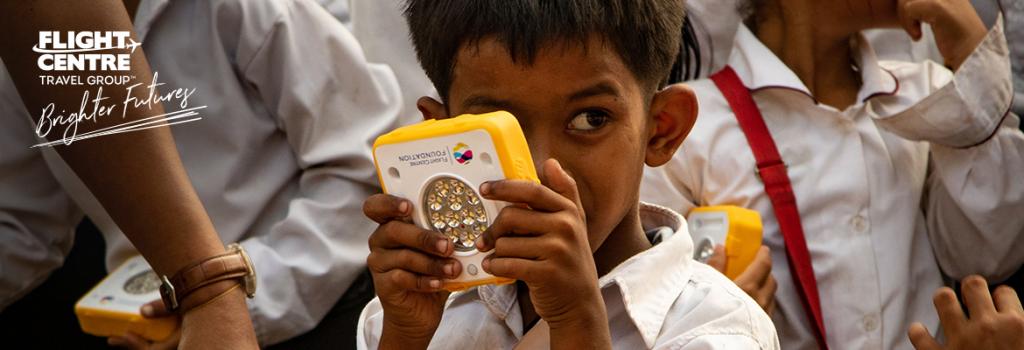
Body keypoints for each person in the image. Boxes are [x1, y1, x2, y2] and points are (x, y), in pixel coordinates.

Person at [356, 0, 780, 348]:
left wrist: (577, 323)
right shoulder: (406, 317)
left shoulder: (715, 331)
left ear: (661, 130)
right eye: (501, 128)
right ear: (440, 134)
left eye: (592, 119)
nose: (543, 169)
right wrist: (406, 339)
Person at [0, 0, 402, 347]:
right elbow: (22, 222)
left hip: (325, 309)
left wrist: (230, 300)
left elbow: (363, 165)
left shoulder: (242, 9)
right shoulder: (25, 50)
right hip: (156, 319)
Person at [641, 0, 1023, 348]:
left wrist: (977, 71)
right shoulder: (685, 126)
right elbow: (646, 310)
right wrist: (711, 323)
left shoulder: (930, 94)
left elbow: (988, 256)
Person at [0, 1, 259, 348]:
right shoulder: (22, 63)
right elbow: (23, 221)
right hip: (145, 316)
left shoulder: (245, 10)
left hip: (296, 306)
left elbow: (343, 166)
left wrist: (217, 298)